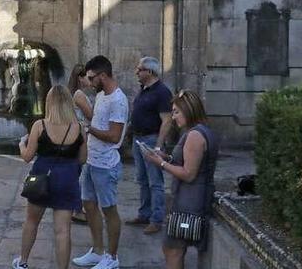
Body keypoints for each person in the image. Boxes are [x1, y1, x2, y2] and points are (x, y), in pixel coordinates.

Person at [141, 90, 220, 269]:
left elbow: (189, 173)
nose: (174, 117)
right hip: (192, 200)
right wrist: (166, 157)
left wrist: (160, 163)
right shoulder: (201, 131)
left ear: (188, 109)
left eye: (176, 111)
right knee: (173, 247)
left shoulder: (195, 135)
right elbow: (188, 163)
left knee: (173, 248)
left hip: (189, 203)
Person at [13, 86, 87, 269]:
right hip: (68, 180)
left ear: (50, 103)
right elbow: (83, 159)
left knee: (31, 221)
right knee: (63, 231)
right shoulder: (79, 128)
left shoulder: (40, 125)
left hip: (41, 178)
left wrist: (22, 144)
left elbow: (27, 157)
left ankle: (22, 262)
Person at [72, 56, 129, 269]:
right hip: (92, 161)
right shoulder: (103, 95)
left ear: (103, 75)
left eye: (91, 77)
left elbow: (114, 136)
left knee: (109, 210)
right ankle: (97, 251)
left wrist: (88, 129)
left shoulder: (117, 100)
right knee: (88, 204)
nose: (89, 82)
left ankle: (112, 257)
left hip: (106, 164)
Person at [126, 56, 174, 234]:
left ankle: (157, 218)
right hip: (139, 139)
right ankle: (144, 214)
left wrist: (158, 146)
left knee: (155, 182)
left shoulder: (162, 92)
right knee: (142, 180)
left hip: (151, 139)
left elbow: (167, 120)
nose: (137, 72)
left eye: (140, 69)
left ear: (150, 71)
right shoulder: (143, 89)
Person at [68, 63, 94, 224]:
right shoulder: (79, 94)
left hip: (77, 135)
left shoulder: (74, 93)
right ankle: (77, 209)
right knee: (81, 174)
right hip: (83, 135)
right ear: (80, 77)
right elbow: (90, 116)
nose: (90, 81)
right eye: (87, 77)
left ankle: (75, 207)